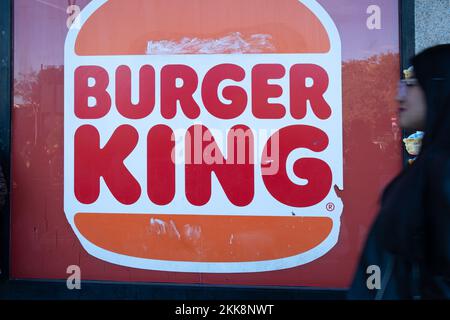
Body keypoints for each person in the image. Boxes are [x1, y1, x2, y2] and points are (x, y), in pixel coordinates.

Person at [347, 44, 450, 300]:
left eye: (413, 83)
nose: (399, 96)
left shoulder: (441, 168)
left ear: (440, 88)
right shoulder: (433, 163)